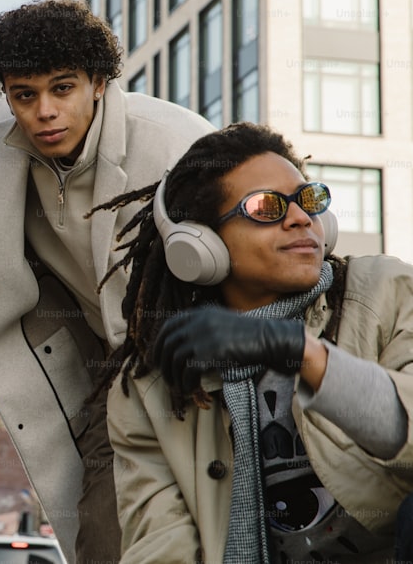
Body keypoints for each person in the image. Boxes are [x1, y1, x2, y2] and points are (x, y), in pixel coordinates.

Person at [97, 122, 413, 563]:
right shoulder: (150, 387)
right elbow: (160, 543)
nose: (301, 218)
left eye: (308, 200)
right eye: (266, 207)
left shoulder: (388, 291)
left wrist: (296, 350)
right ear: (201, 246)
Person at [0, 0, 214, 561]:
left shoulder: (173, 144)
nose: (44, 112)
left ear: (99, 82)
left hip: (210, 362)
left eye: (63, 88)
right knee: (102, 535)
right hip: (116, 373)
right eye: (24, 95)